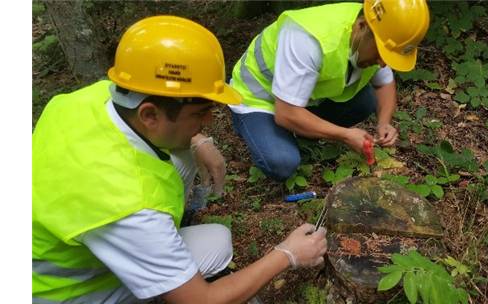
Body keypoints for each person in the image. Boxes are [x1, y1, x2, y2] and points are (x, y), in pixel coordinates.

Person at [32, 16, 327, 304]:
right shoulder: (130, 204)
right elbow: (201, 298)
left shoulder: (91, 99)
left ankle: (159, 253)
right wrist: (288, 254)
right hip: (59, 290)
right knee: (217, 243)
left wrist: (198, 140)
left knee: (185, 158)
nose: (210, 120)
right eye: (200, 113)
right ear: (149, 115)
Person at [228, 0, 430, 181]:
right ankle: (265, 129)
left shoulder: (376, 31)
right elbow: (285, 113)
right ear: (361, 26)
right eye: (380, 53)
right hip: (258, 99)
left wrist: (384, 122)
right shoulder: (309, 39)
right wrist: (345, 135)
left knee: (366, 101)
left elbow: (384, 84)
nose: (383, 63)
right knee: (281, 162)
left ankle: (302, 130)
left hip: (299, 100)